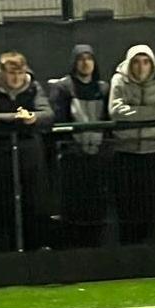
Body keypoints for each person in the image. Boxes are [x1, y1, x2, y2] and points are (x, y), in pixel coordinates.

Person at [0, 51, 55, 250]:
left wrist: (33, 117)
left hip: (29, 155)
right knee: (1, 203)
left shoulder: (33, 87)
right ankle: (4, 250)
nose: (16, 78)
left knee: (32, 201)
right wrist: (15, 118)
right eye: (11, 73)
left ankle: (33, 247)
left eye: (20, 73)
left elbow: (48, 113)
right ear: (2, 72)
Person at [109, 44, 155, 244]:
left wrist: (136, 114)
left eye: (146, 62)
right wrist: (152, 113)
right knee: (127, 206)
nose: (141, 67)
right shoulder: (118, 79)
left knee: (151, 205)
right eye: (137, 62)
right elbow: (116, 111)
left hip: (153, 151)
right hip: (125, 152)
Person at [49, 44, 111, 248]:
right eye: (81, 59)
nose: (85, 63)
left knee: (97, 207)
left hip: (98, 158)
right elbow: (58, 120)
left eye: (89, 58)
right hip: (72, 158)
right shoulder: (63, 87)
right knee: (73, 207)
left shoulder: (103, 88)